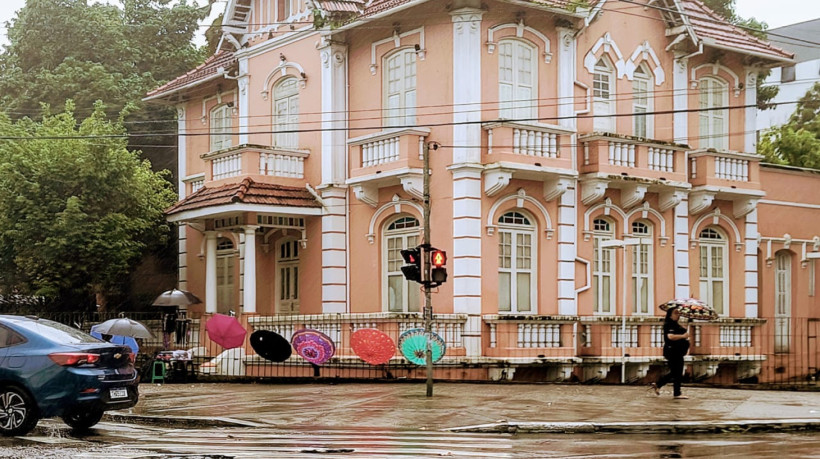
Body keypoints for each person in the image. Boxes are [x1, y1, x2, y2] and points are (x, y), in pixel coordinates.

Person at [651, 306, 690, 399]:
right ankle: (676, 393)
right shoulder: (669, 325)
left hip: (678, 351)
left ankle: (659, 384)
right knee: (677, 372)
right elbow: (670, 336)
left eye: (679, 313)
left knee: (675, 372)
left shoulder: (676, 325)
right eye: (676, 313)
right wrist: (683, 336)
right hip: (672, 351)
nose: (678, 315)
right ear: (670, 315)